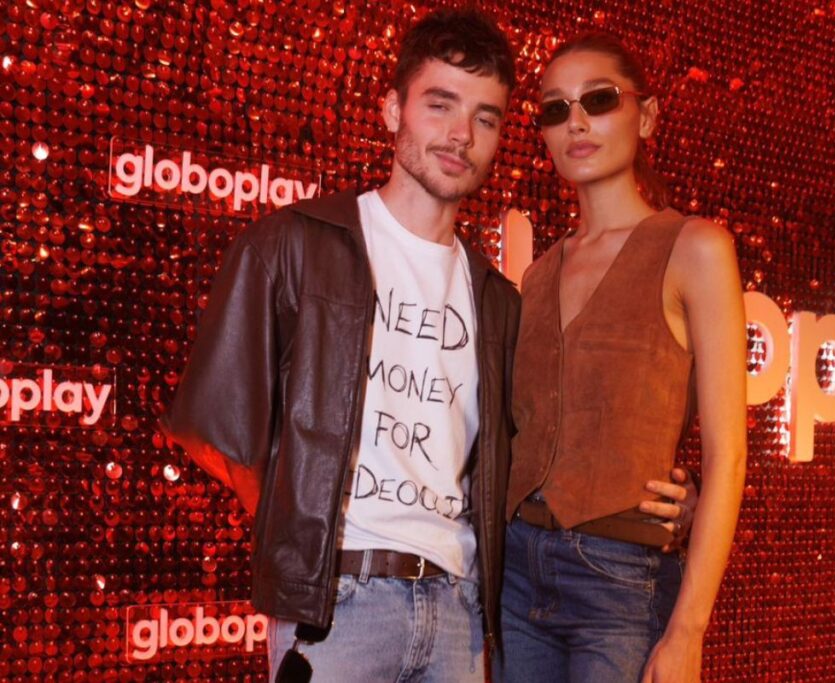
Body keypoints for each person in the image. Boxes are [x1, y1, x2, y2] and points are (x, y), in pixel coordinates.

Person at [162, 11, 694, 682]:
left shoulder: (500, 299)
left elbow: (541, 441)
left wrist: (673, 490)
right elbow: (211, 428)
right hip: (338, 612)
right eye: (440, 105)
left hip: (458, 616)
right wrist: (306, 541)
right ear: (392, 110)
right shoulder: (294, 245)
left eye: (486, 118)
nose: (460, 135)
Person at [502, 32, 748, 683]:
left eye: (598, 100)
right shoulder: (538, 272)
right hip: (516, 572)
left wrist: (688, 630)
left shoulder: (696, 248)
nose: (575, 121)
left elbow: (729, 454)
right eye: (555, 109)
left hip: (621, 581)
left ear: (646, 116)